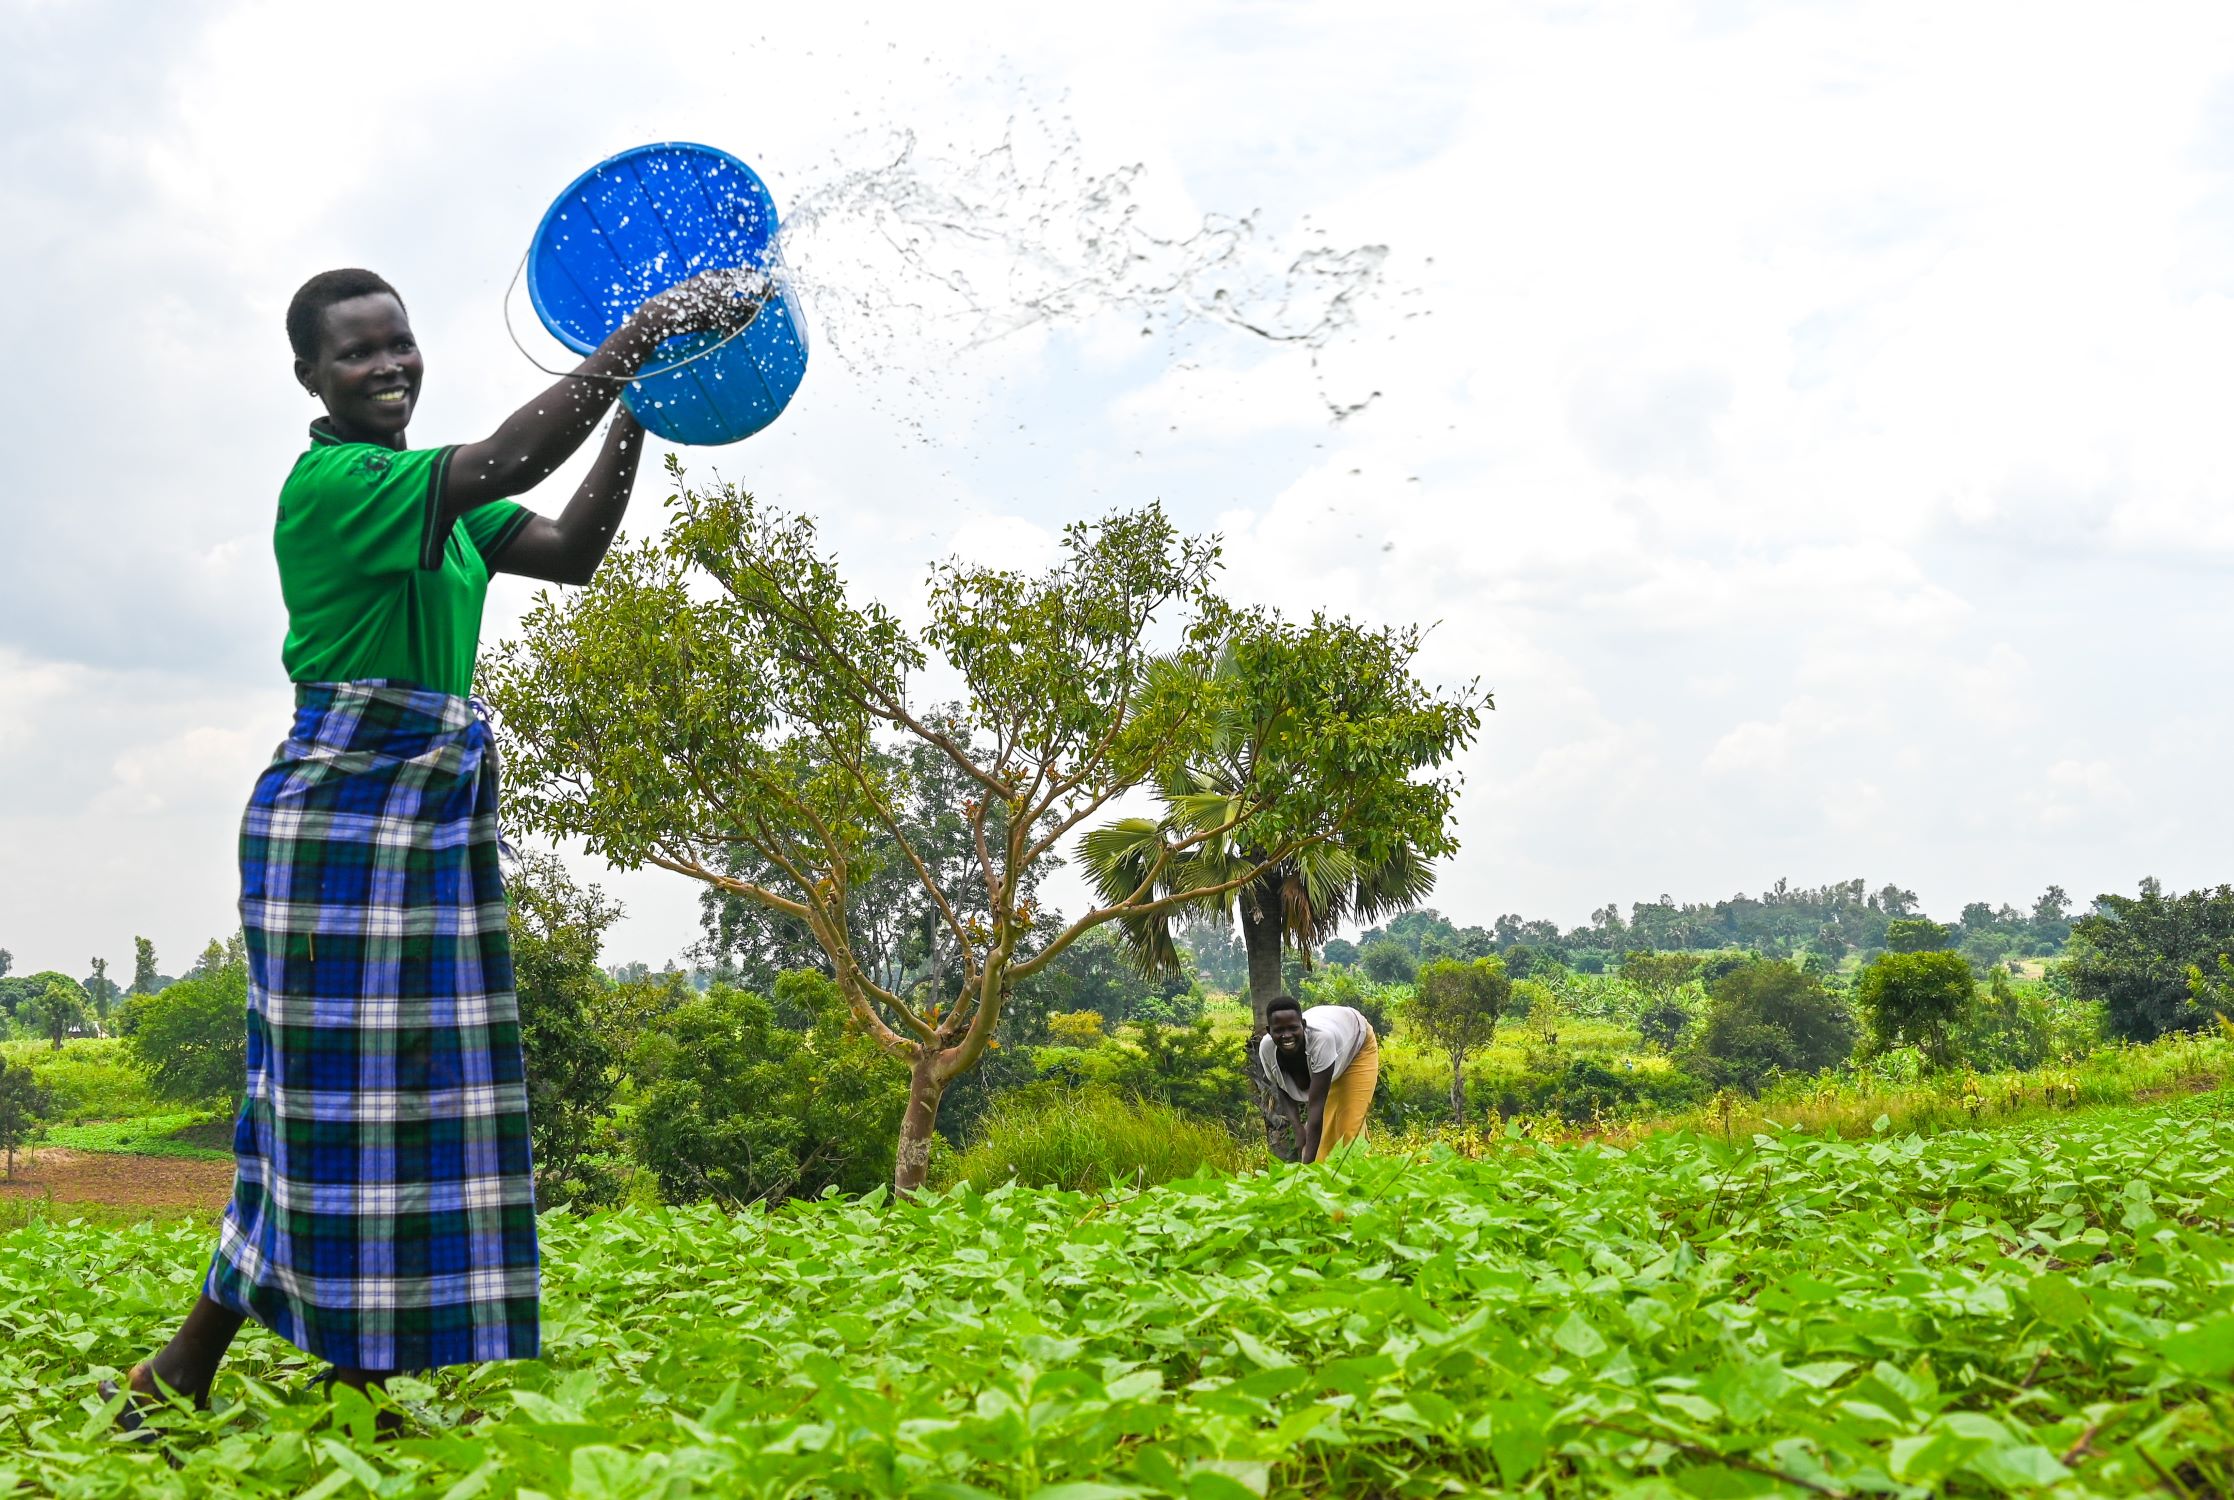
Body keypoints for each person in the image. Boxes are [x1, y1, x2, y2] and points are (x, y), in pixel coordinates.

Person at [102, 264, 759, 1429]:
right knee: (312, 1111)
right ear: (310, 378)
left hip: (427, 810)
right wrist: (639, 330)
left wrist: (639, 406)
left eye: (399, 342)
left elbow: (568, 548)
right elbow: (505, 462)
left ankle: (308, 1377)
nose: (389, 365)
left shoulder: (438, 504)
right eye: (358, 352)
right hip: (341, 815)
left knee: (399, 1103)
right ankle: (221, 1374)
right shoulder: (339, 485)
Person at [1257, 994, 1380, 1162]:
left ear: (1303, 1025)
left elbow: (1316, 1110)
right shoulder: (1267, 1048)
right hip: (1332, 1046)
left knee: (1348, 1134)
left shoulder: (1321, 1041)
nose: (1286, 1035)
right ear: (1269, 1031)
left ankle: (1357, 1181)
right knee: (1328, 1138)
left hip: (1357, 1045)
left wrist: (1307, 1168)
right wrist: (1298, 1128)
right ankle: (1332, 1178)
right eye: (1279, 1030)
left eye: (1293, 1028)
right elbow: (1282, 1088)